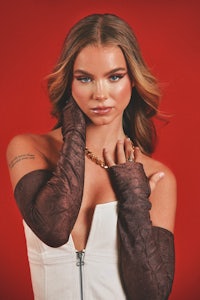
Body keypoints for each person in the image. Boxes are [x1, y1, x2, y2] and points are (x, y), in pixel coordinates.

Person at [6, 13, 176, 300]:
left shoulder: (155, 176)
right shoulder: (29, 149)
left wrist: (134, 202)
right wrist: (73, 130)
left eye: (114, 77)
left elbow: (151, 295)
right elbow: (54, 229)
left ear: (132, 80)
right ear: (69, 83)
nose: (100, 93)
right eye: (84, 78)